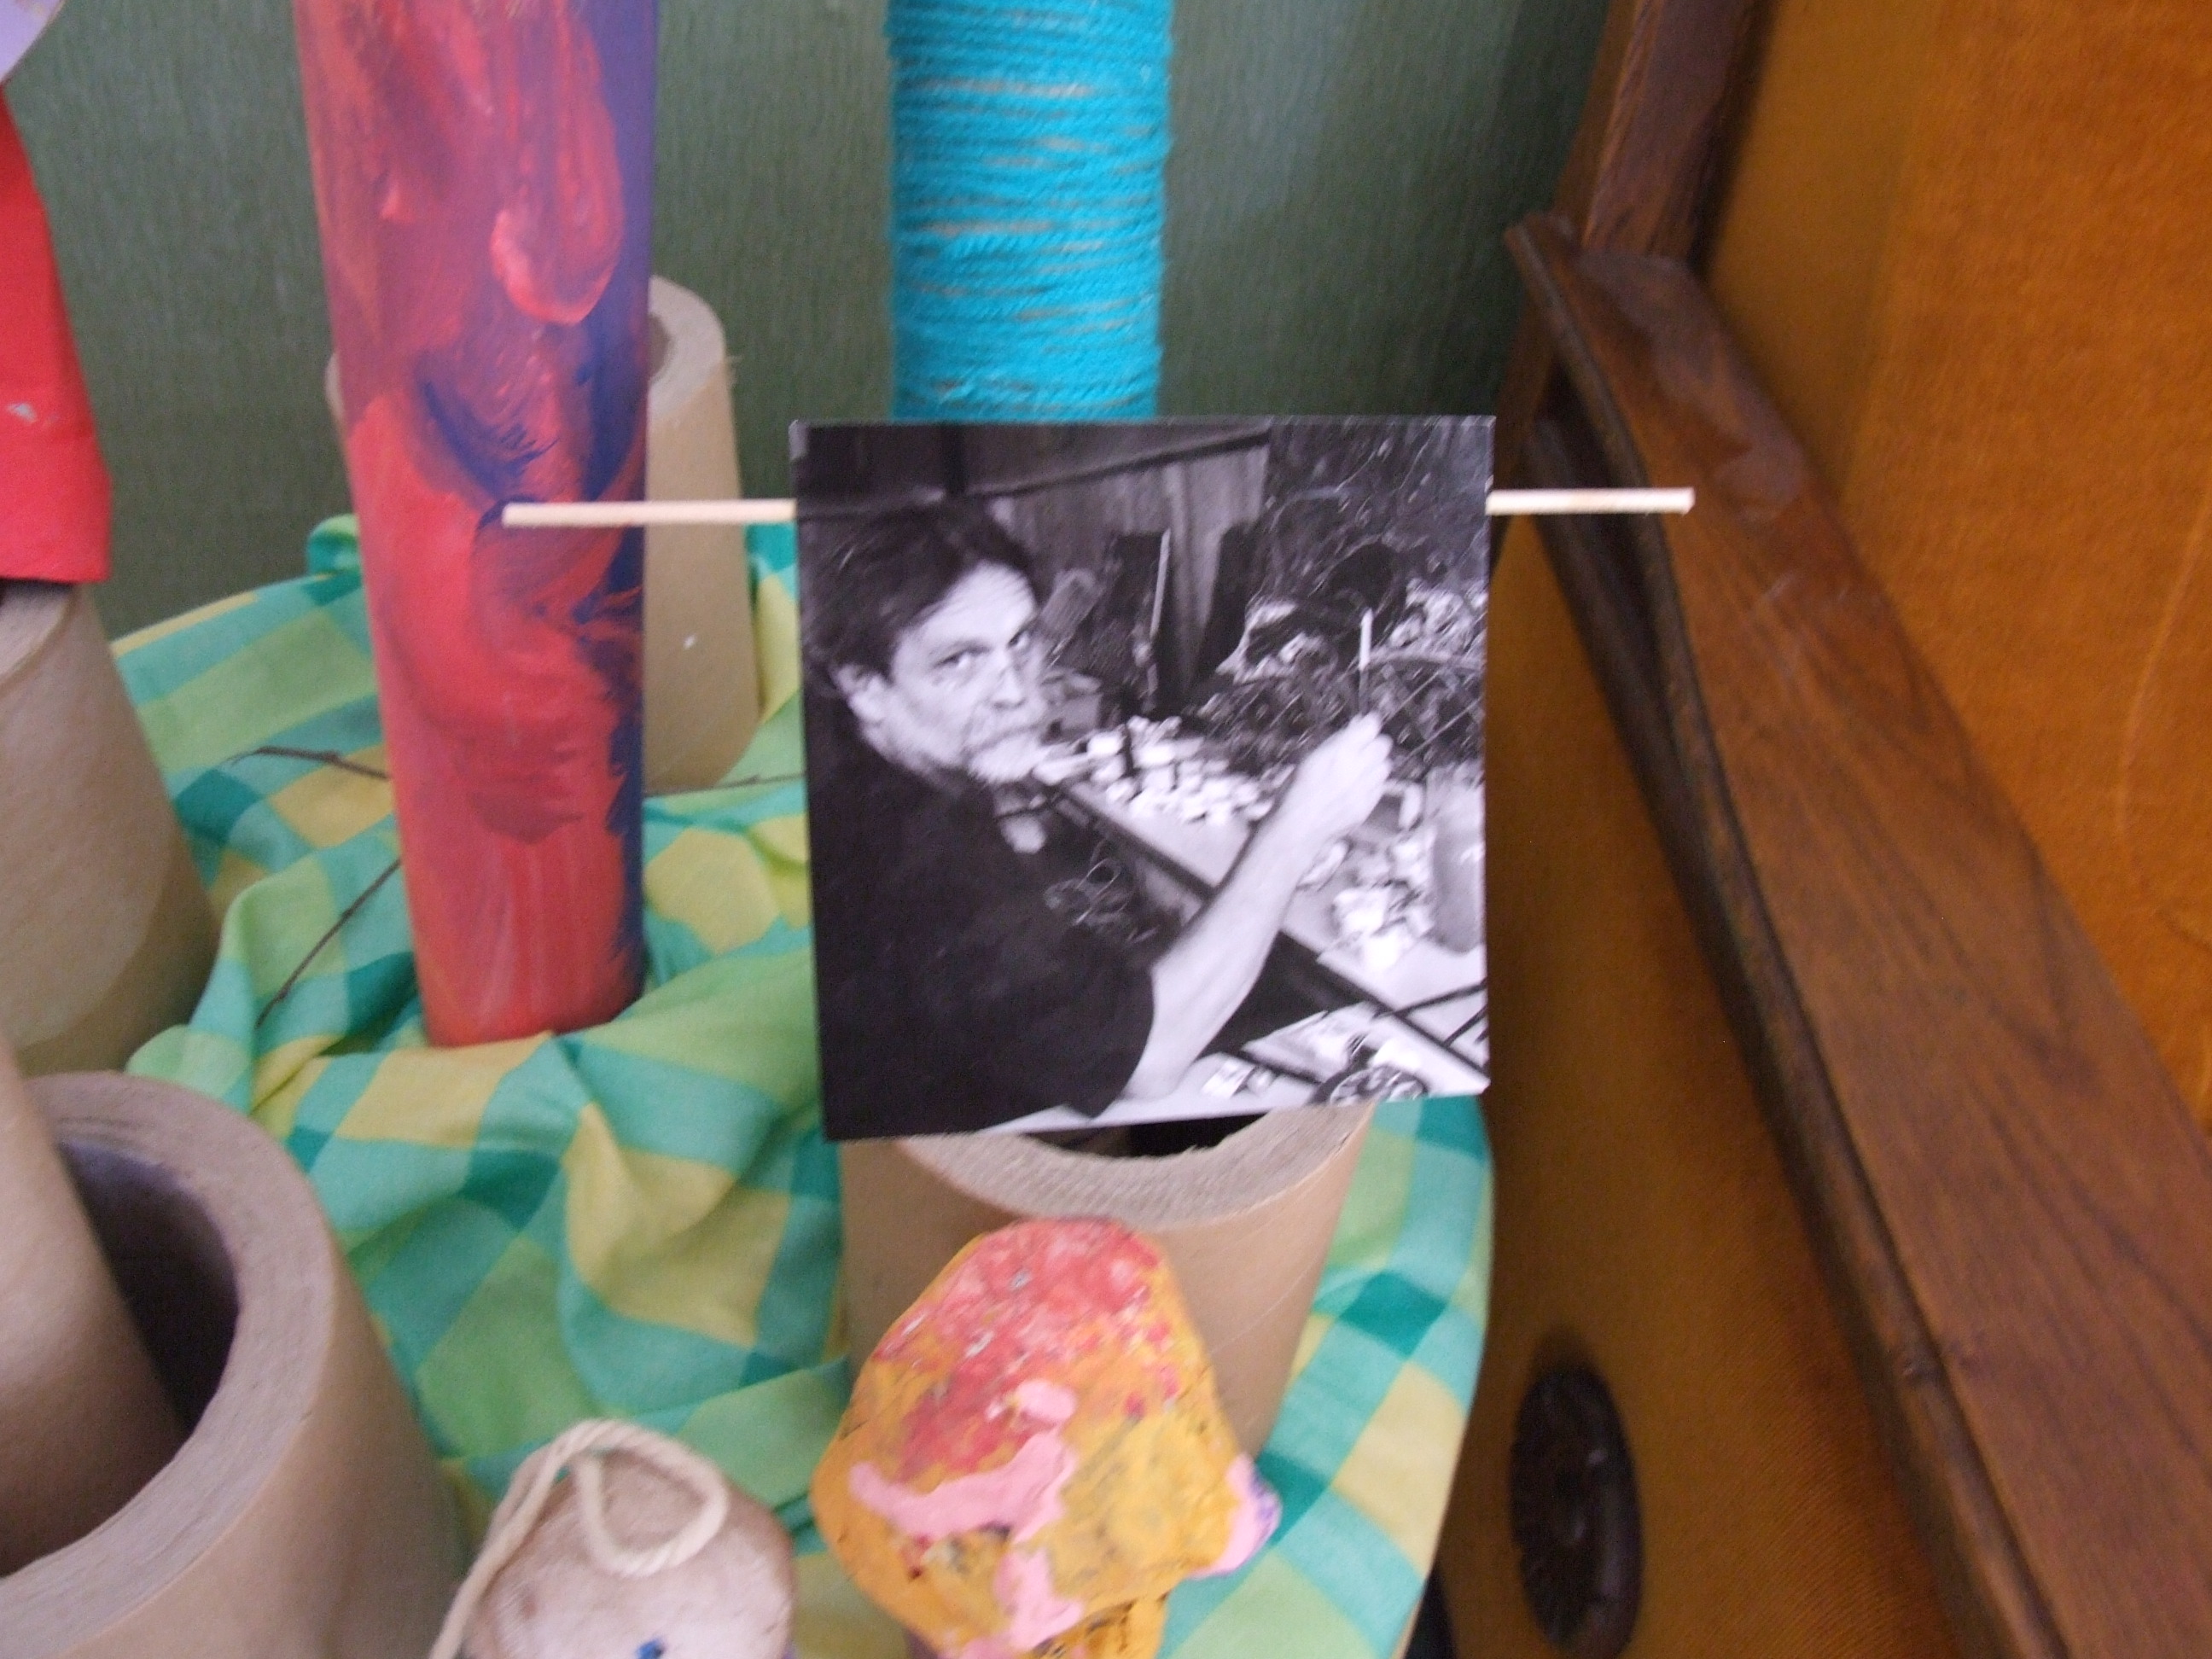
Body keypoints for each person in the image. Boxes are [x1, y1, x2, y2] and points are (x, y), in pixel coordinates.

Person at [804, 502, 1391, 1138]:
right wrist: (1298, 824)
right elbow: (1148, 1057)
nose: (1016, 692)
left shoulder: (860, 773)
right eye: (959, 662)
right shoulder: (916, 854)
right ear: (865, 686)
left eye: (1021, 643)